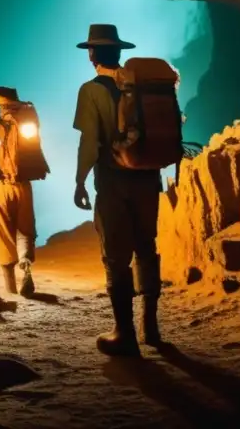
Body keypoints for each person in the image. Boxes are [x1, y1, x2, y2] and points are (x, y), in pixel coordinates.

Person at [72, 24, 163, 356]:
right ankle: (150, 327)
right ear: (120, 52)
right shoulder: (142, 86)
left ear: (92, 54)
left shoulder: (91, 90)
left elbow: (89, 142)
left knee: (116, 256)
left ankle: (125, 333)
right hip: (148, 179)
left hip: (113, 182)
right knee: (146, 247)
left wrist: (80, 180)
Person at [0, 86, 38, 298]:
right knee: (25, 230)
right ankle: (26, 268)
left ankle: (10, 287)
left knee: (3, 233)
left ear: (0, 106)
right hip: (24, 186)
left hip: (1, 188)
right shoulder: (29, 126)